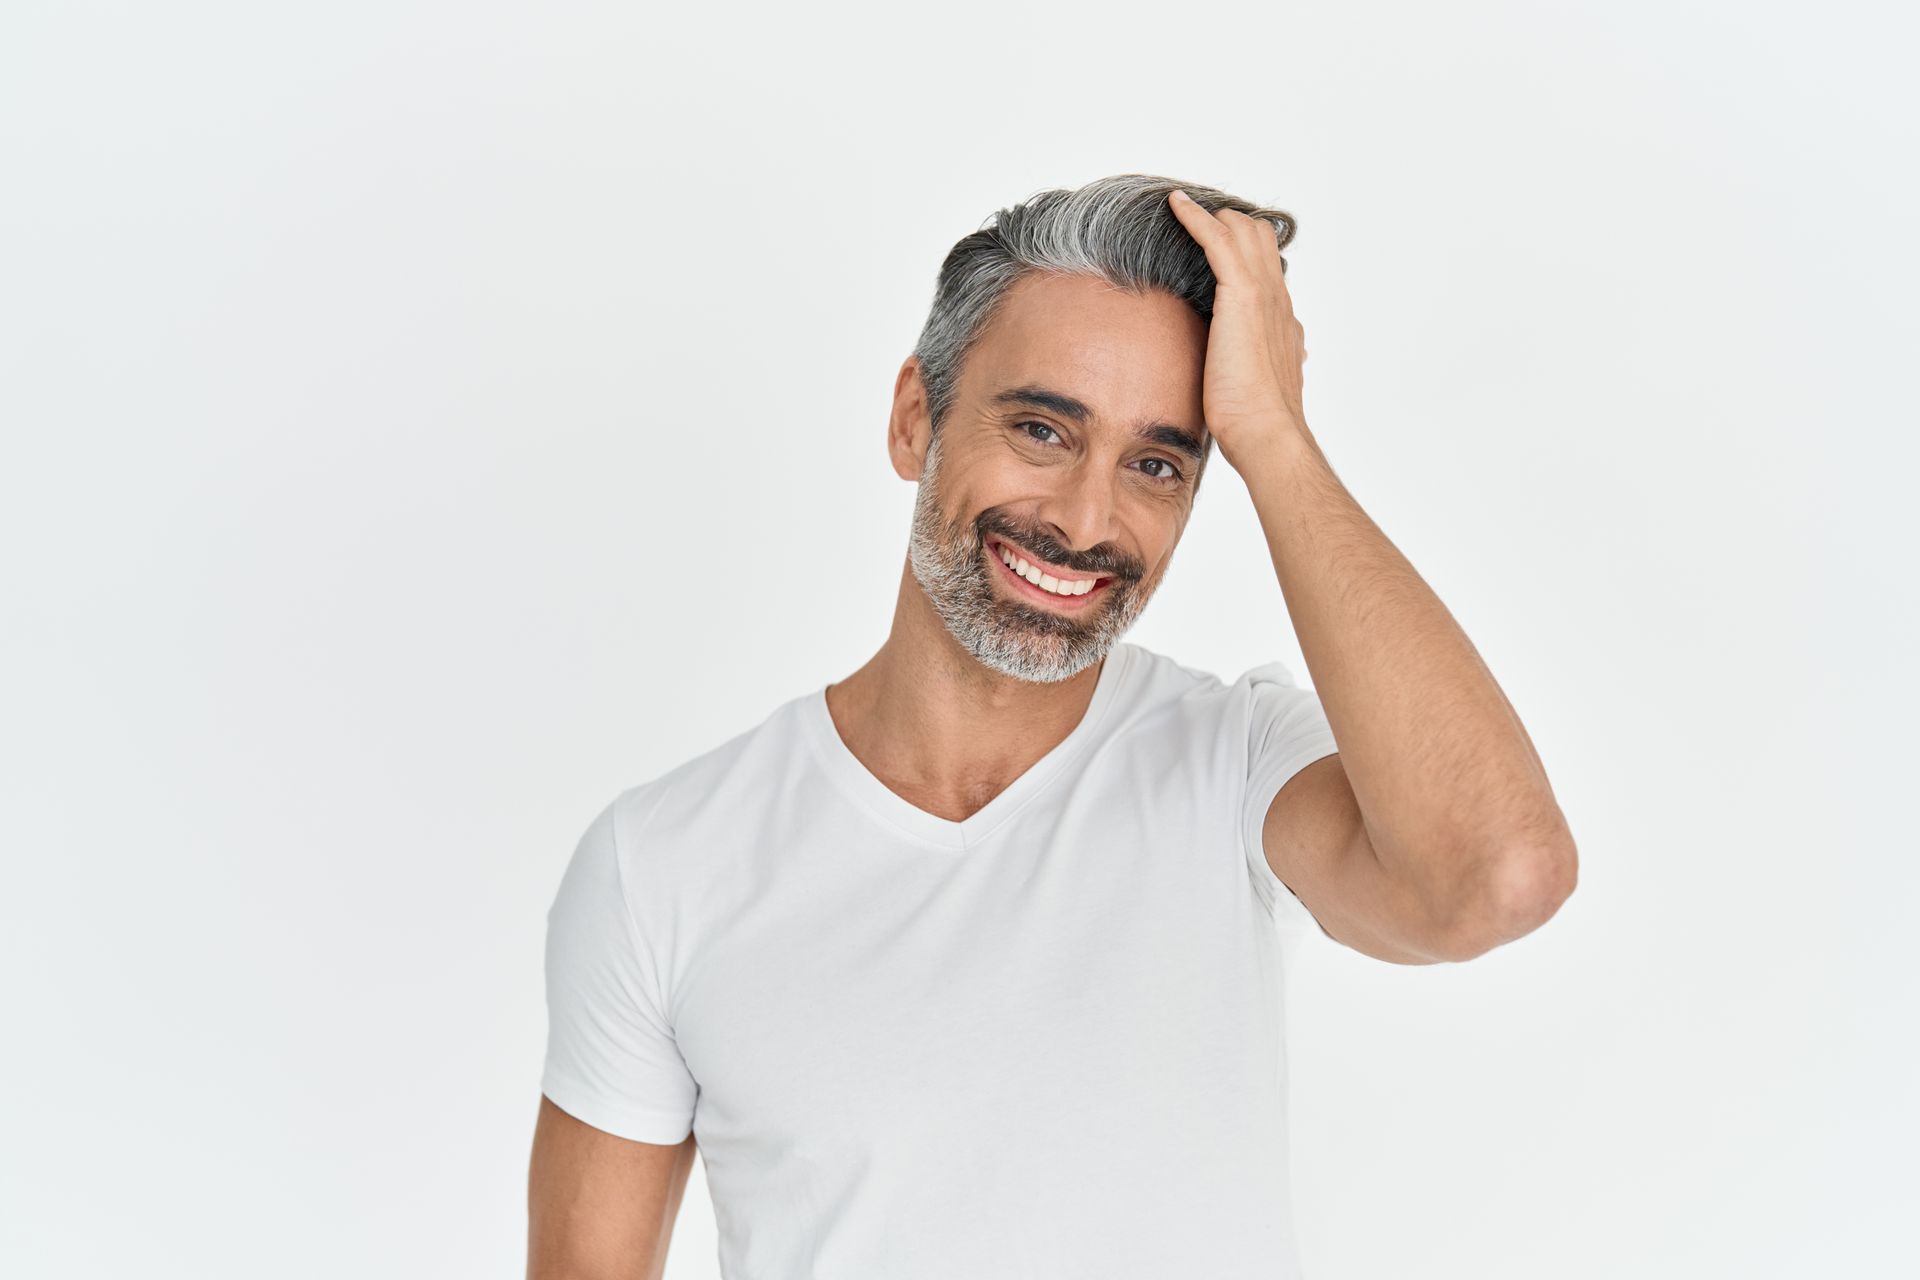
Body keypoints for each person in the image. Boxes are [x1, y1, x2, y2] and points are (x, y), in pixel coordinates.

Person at [525, 173, 1577, 1279]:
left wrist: (1272, 433)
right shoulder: (664, 863)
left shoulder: (1236, 771)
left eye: (1156, 464)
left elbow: (1499, 874)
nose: (1086, 519)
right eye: (1041, 428)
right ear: (912, 417)